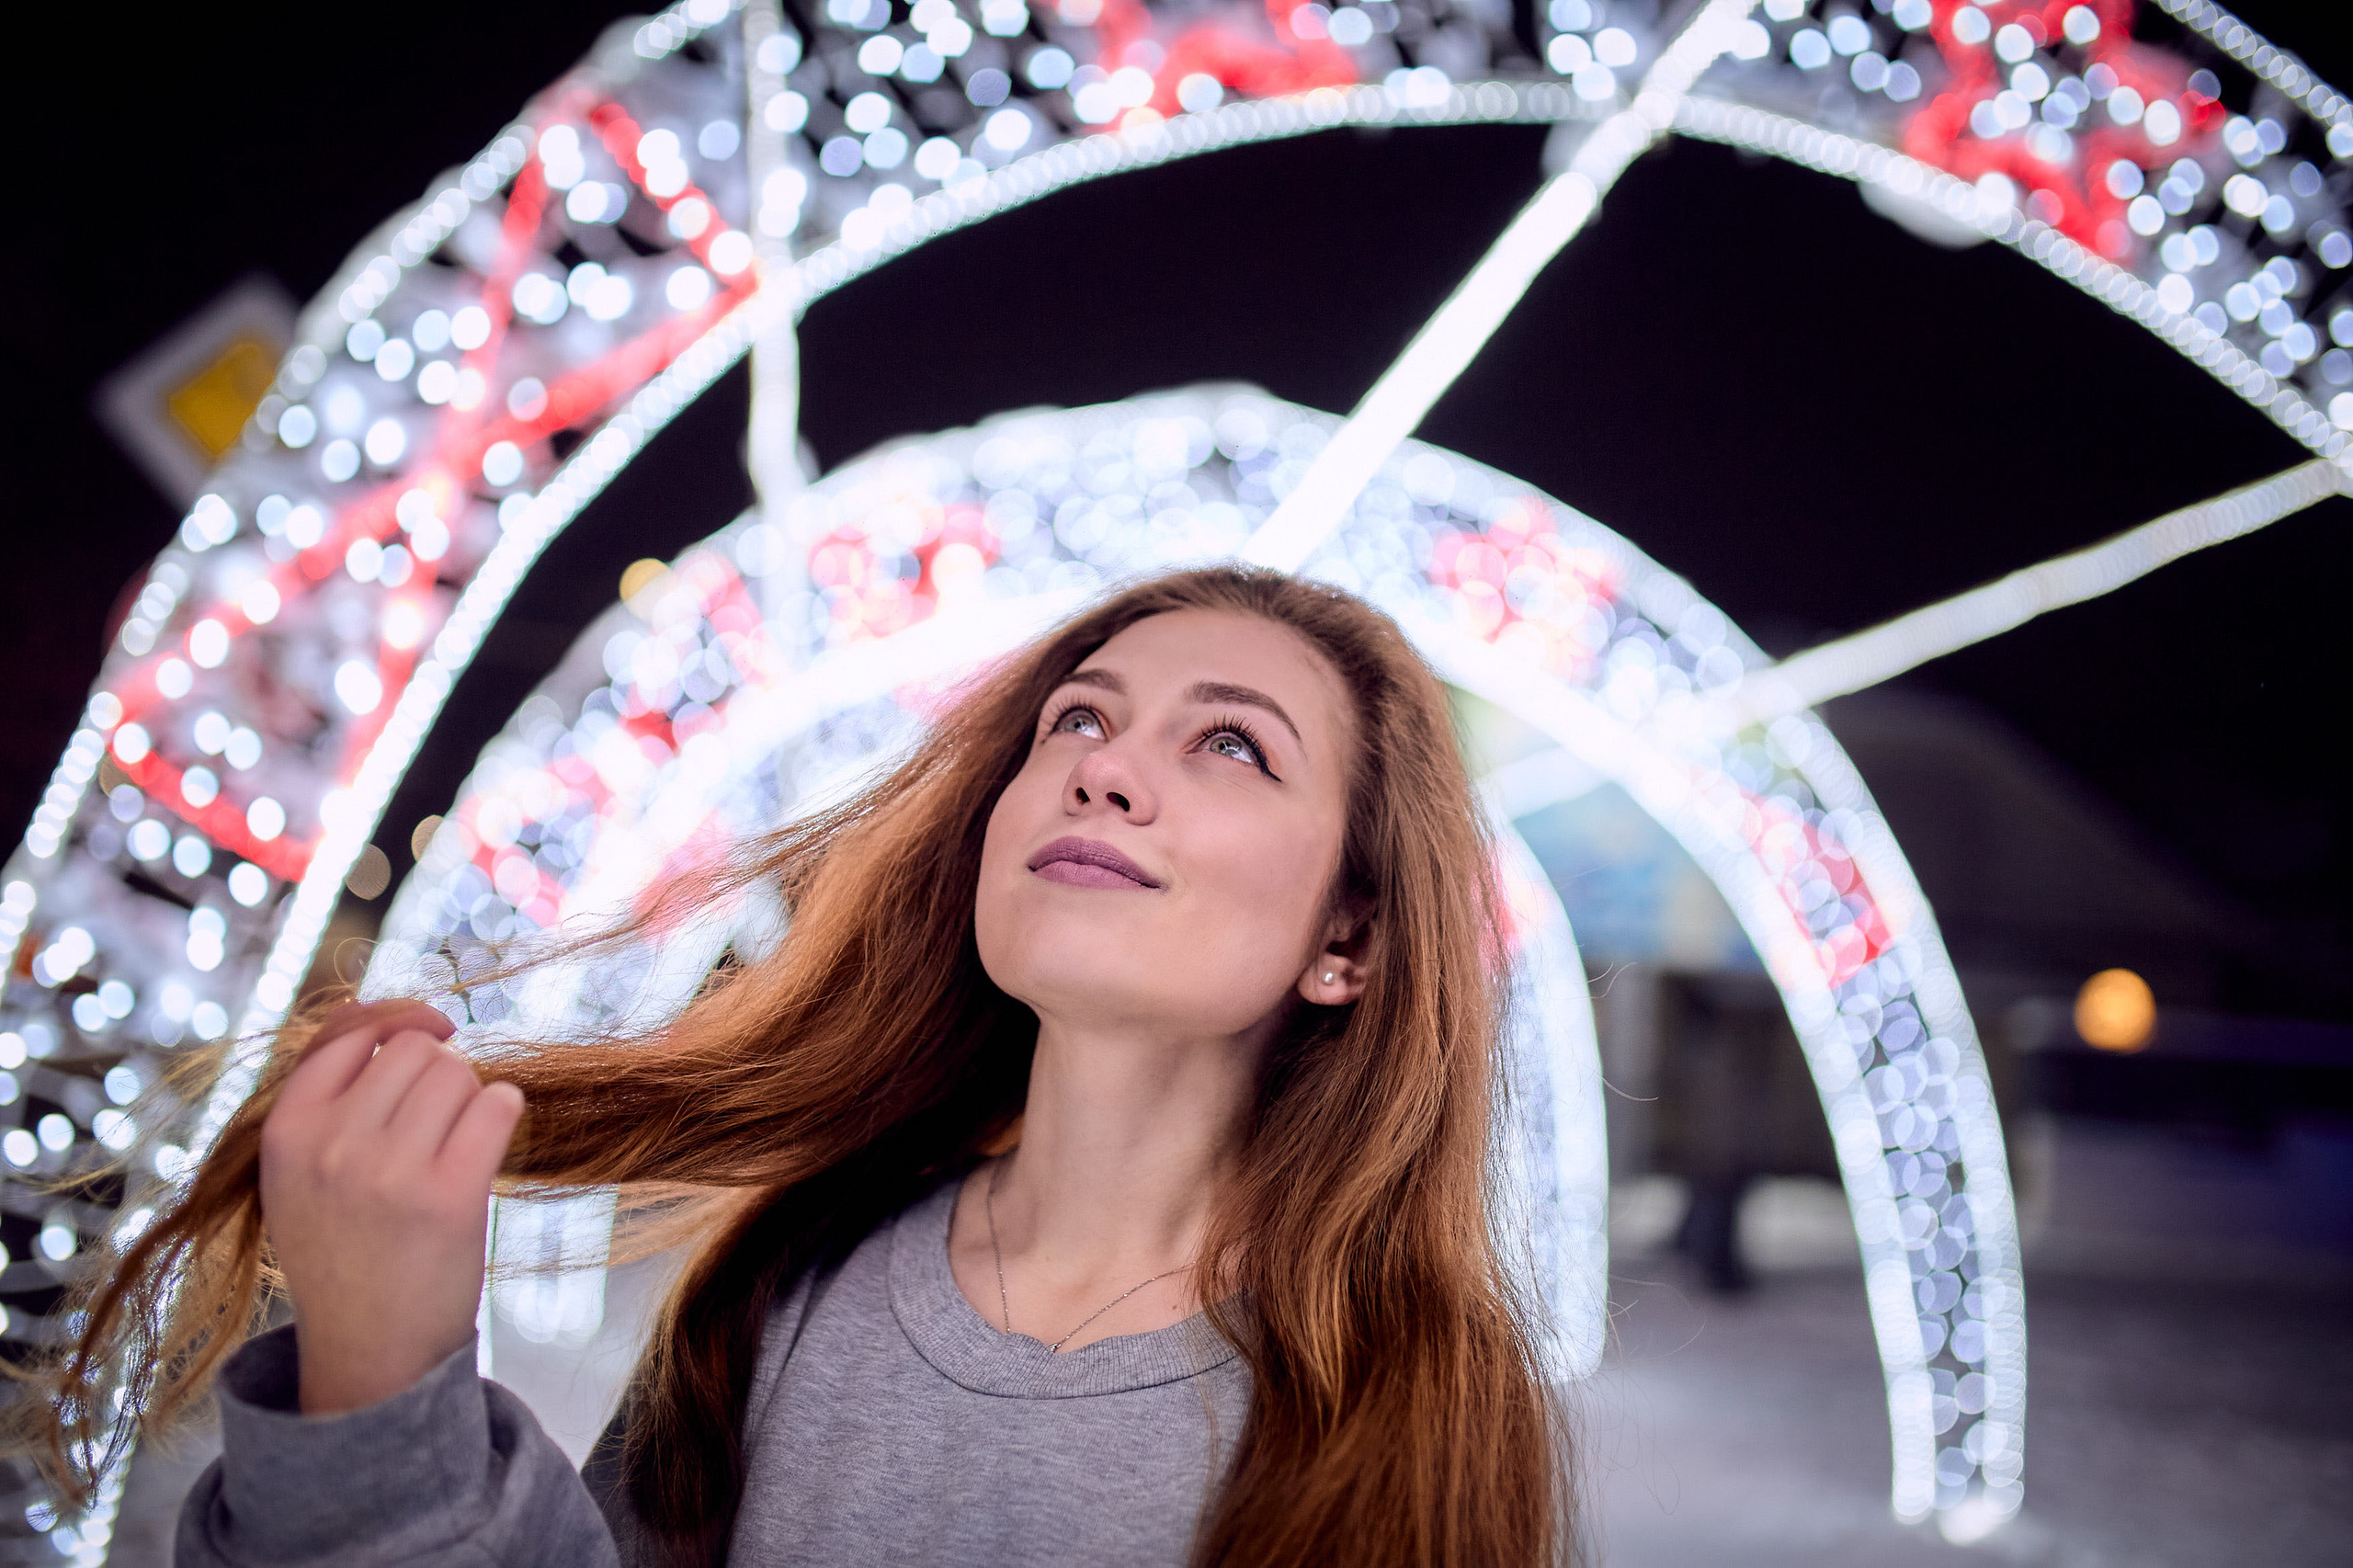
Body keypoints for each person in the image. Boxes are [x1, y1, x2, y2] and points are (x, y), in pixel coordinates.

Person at [38, 566, 1572, 1566]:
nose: (1105, 763)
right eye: (1078, 719)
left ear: (1349, 939)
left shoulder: (1415, 1398)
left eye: (1228, 745)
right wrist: (380, 1384)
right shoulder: (789, 1278)